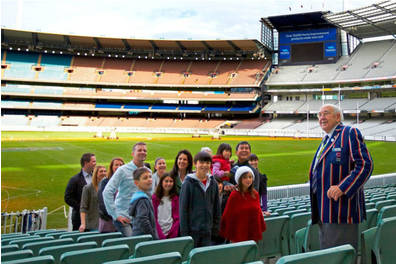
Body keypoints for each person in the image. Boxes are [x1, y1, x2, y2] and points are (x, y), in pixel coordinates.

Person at [309, 104, 373, 251]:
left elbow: (365, 165)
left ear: (338, 117)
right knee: (328, 255)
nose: (321, 118)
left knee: (340, 257)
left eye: (326, 113)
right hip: (324, 210)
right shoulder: (326, 140)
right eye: (319, 115)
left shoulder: (349, 132)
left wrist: (342, 187)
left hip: (340, 211)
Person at [103, 142, 149, 237]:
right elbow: (107, 192)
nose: (142, 152)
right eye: (139, 150)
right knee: (132, 244)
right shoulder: (122, 170)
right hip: (124, 218)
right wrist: (115, 215)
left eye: (144, 150)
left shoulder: (148, 172)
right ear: (133, 154)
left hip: (140, 218)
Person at [179, 151, 220, 247]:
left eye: (207, 163)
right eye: (201, 162)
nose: (204, 165)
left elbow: (216, 207)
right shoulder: (188, 183)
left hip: (208, 231)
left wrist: (215, 227)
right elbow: (183, 210)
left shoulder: (213, 183)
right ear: (195, 164)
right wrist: (185, 233)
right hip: (193, 232)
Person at [220, 166, 266, 242]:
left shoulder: (255, 194)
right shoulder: (234, 195)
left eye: (250, 177)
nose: (248, 180)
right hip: (239, 235)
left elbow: (258, 213)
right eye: (245, 177)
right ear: (239, 179)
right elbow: (228, 215)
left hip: (253, 235)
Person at [64, 153, 96, 230]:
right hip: (79, 219)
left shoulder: (97, 177)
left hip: (95, 218)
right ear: (86, 163)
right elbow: (68, 198)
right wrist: (81, 207)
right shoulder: (75, 180)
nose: (95, 164)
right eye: (93, 161)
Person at [129, 167, 158, 239]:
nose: (149, 180)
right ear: (136, 182)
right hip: (144, 238)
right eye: (145, 178)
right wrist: (153, 236)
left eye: (150, 177)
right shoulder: (142, 199)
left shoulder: (139, 197)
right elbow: (143, 219)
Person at [97, 157, 125, 233]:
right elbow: (102, 203)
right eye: (116, 165)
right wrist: (115, 216)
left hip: (123, 220)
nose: (119, 167)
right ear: (111, 167)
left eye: (121, 165)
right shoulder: (105, 182)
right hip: (108, 221)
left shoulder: (125, 181)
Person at [152, 173, 180, 239]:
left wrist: (172, 234)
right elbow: (154, 218)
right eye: (166, 181)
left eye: (171, 181)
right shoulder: (155, 198)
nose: (168, 183)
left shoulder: (175, 198)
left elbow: (177, 218)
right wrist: (160, 235)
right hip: (158, 233)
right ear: (161, 182)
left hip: (171, 233)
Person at [79, 165, 107, 232]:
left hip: (106, 223)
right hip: (93, 223)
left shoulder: (108, 187)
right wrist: (83, 224)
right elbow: (83, 207)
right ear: (96, 173)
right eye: (101, 171)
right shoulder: (88, 188)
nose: (103, 173)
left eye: (105, 171)